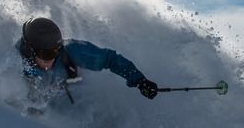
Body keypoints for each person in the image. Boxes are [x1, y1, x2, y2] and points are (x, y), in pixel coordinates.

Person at [16, 16, 158, 109]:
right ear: (30, 50)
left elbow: (110, 59)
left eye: (56, 51)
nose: (52, 58)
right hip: (41, 111)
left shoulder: (71, 51)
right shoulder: (15, 60)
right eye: (47, 54)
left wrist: (140, 81)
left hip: (71, 97)